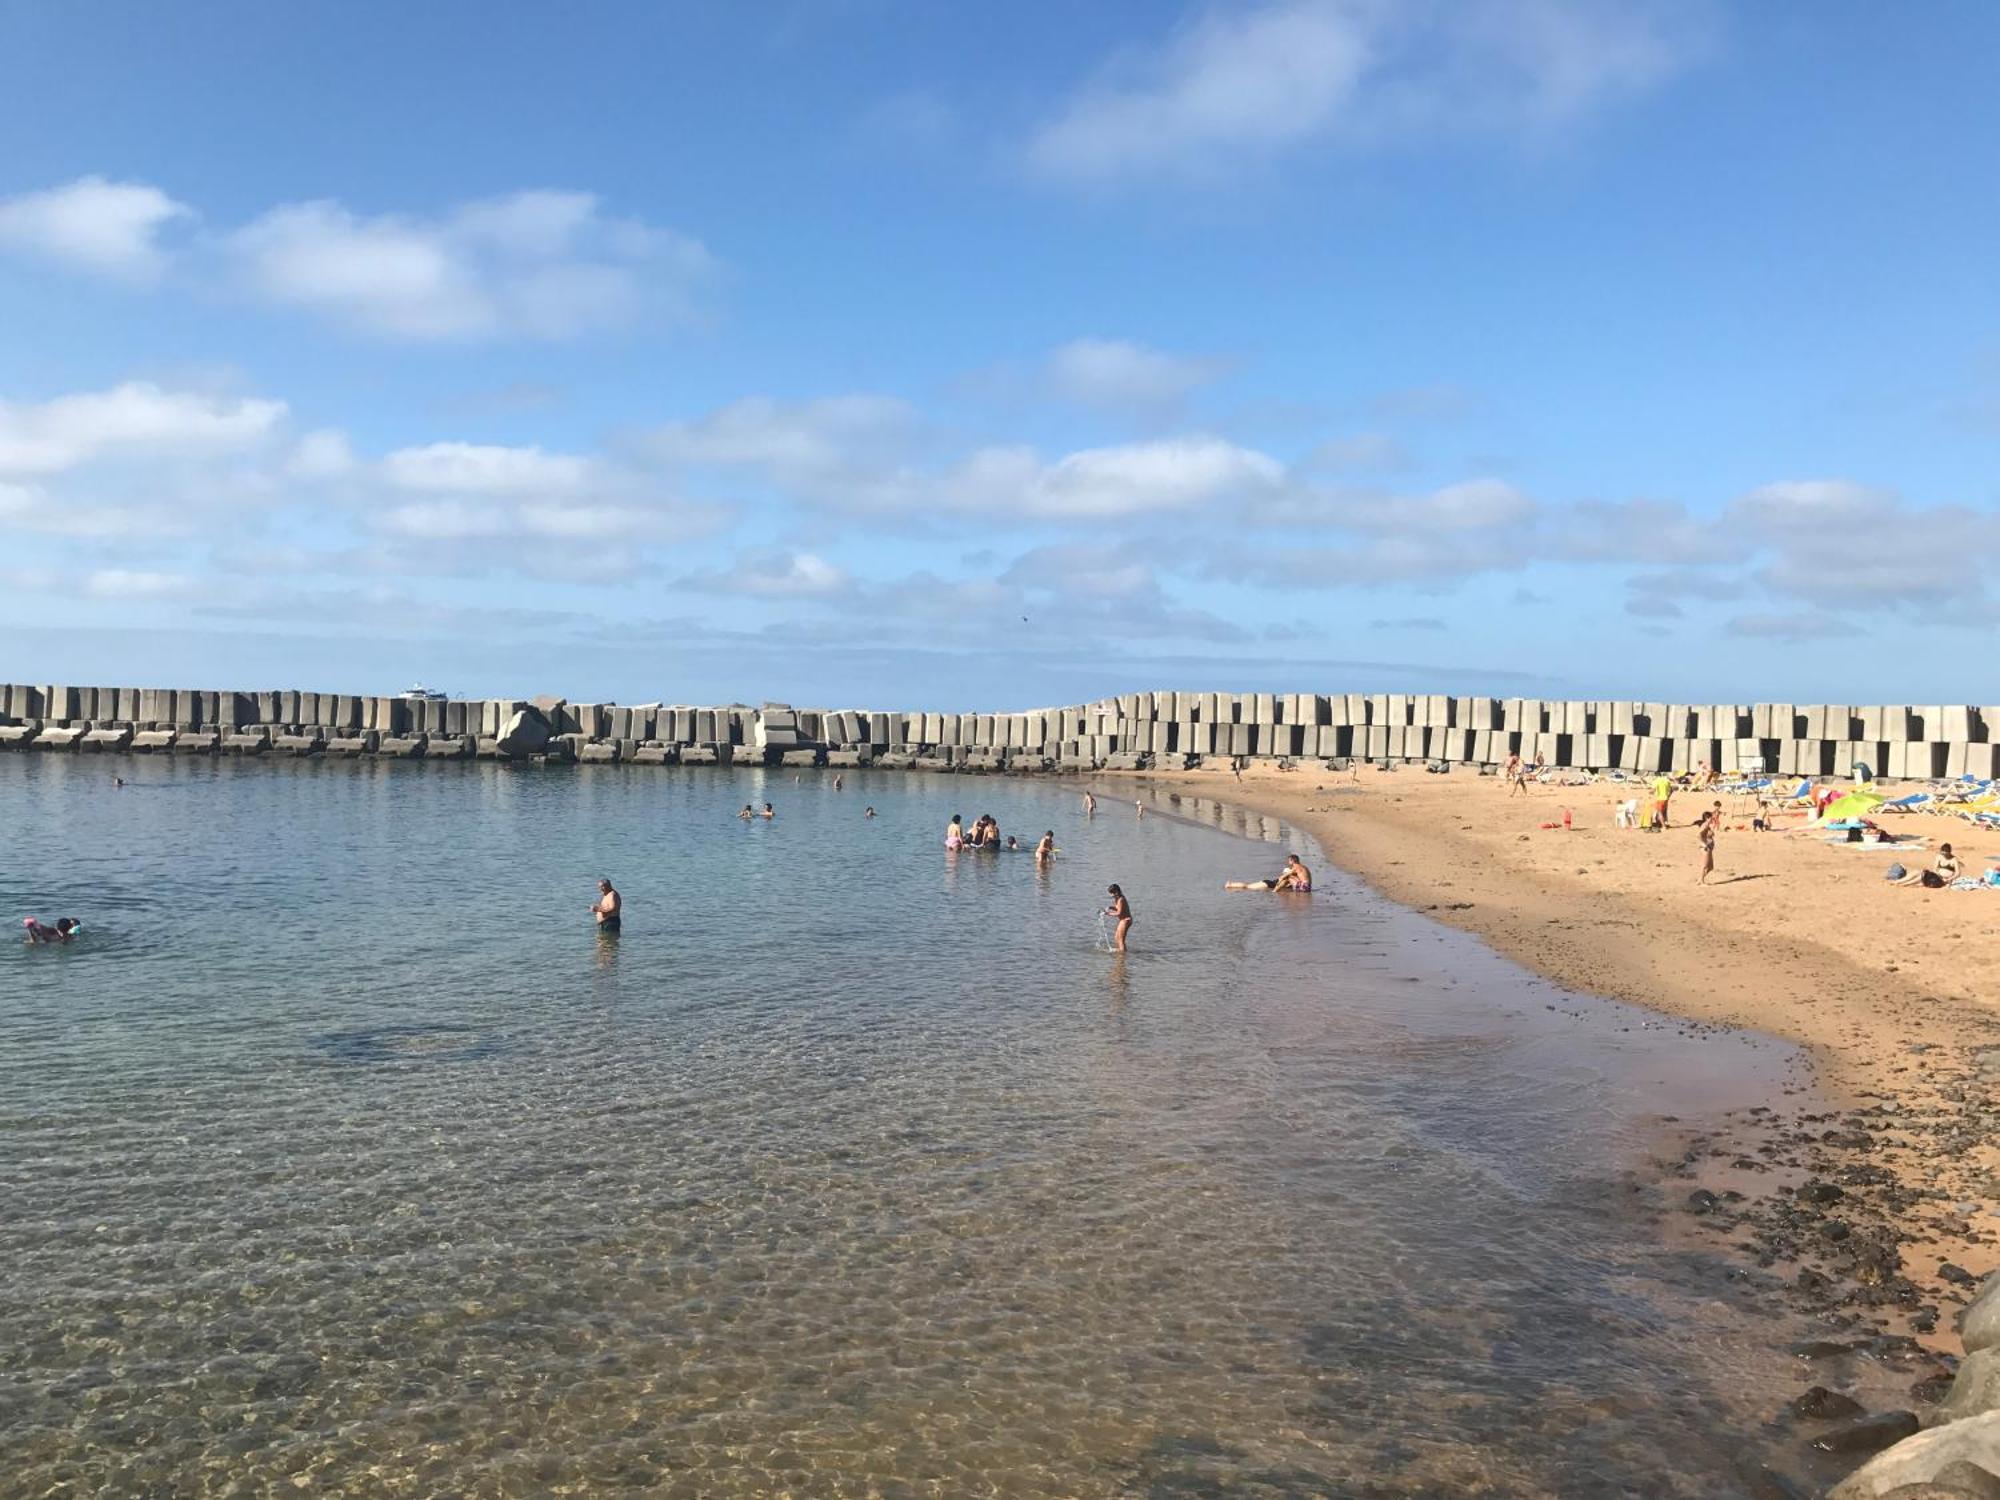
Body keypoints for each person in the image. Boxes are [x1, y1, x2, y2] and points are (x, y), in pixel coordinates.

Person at [1226, 854, 1312, 893]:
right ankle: (1230, 885)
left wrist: (1281, 879)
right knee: (1247, 887)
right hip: (1268, 883)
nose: (1287, 862)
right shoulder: (1302, 869)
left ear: (1292, 861)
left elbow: (1284, 877)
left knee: (1247, 886)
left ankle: (1230, 884)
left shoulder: (1295, 870)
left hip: (1269, 883)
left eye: (1289, 860)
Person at [1896, 843, 1961, 889]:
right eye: (1943, 854)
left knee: (1922, 876)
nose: (1944, 856)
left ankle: (1905, 884)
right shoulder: (1939, 856)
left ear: (1949, 852)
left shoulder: (1954, 859)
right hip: (1936, 875)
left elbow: (1958, 873)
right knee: (1918, 872)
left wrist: (1948, 879)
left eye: (1946, 854)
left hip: (1943, 880)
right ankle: (1899, 881)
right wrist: (1937, 873)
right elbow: (1935, 868)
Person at [1104, 884, 1133, 952]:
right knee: (1116, 938)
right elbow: (1118, 908)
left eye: (1111, 893)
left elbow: (1119, 913)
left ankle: (1122, 955)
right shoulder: (1117, 899)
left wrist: (1108, 914)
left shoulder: (1121, 899)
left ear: (1116, 892)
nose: (1111, 895)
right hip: (1122, 920)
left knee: (1120, 940)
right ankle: (1121, 953)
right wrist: (1111, 907)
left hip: (1126, 920)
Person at [1698, 811, 1717, 885]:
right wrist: (1704, 843)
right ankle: (1702, 881)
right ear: (1707, 818)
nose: (1712, 819)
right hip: (1705, 847)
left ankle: (1700, 879)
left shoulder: (1708, 825)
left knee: (1711, 867)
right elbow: (1699, 834)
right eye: (1710, 818)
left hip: (1709, 847)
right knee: (1705, 865)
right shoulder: (1705, 825)